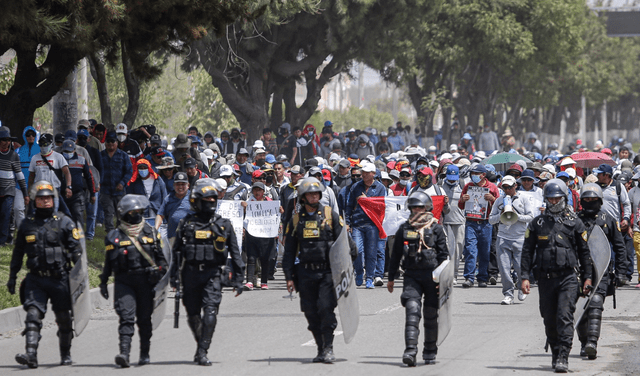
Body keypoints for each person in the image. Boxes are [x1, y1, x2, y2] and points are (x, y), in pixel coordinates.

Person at [7, 181, 83, 368]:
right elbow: (17, 253)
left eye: (48, 198)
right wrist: (12, 276)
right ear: (35, 201)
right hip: (36, 279)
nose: (45, 201)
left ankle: (65, 354)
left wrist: (80, 275)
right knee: (33, 314)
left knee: (64, 319)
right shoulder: (26, 225)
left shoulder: (65, 222)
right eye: (41, 198)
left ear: (54, 199)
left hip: (60, 279)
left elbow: (77, 252)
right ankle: (30, 354)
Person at [520, 179, 593, 373]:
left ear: (564, 198)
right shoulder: (537, 223)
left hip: (568, 278)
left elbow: (584, 252)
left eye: (557, 199)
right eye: (550, 199)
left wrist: (588, 277)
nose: (553, 202)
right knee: (549, 318)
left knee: (564, 316)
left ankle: (563, 356)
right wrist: (524, 277)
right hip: (545, 278)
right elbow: (527, 251)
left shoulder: (575, 222)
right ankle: (555, 352)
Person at [170, 179, 245, 366]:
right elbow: (176, 252)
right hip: (190, 274)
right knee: (193, 314)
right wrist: (173, 277)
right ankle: (201, 342)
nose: (210, 203)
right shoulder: (186, 224)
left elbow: (235, 254)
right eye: (206, 200)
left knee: (210, 312)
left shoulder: (223, 225)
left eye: (213, 200)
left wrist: (239, 279)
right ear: (197, 202)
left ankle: (203, 351)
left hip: (213, 275)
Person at [98, 194, 168, 367]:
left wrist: (162, 275)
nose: (136, 214)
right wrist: (104, 282)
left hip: (146, 282)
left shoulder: (151, 232)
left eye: (139, 211)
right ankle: (124, 353)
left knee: (144, 319)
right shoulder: (114, 236)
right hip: (124, 282)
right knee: (126, 317)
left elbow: (162, 259)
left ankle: (144, 353)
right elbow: (108, 262)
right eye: (132, 211)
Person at [283, 177, 347, 364]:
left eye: (316, 193)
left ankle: (328, 348)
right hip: (305, 273)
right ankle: (320, 349)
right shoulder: (295, 220)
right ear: (303, 196)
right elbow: (288, 252)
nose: (313, 196)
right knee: (311, 312)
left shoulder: (330, 215)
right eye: (310, 193)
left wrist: (346, 270)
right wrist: (288, 276)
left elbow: (346, 245)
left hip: (328, 273)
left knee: (326, 308)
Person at [387, 191, 449, 366]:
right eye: (414, 207)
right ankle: (410, 351)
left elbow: (445, 256)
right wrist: (391, 278)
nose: (417, 210)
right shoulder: (404, 228)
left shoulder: (436, 228)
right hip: (412, 276)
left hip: (432, 278)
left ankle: (430, 352)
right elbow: (396, 254)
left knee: (430, 316)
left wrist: (443, 282)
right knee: (412, 311)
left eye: (420, 207)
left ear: (427, 207)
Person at [576, 184, 627, 360]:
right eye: (586, 199)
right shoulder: (575, 220)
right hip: (579, 272)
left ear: (599, 200)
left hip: (602, 270)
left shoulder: (609, 219)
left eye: (593, 199)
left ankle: (592, 342)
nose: (590, 202)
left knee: (595, 302)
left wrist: (621, 272)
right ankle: (583, 343)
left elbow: (620, 247)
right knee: (581, 308)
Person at [488, 175, 533, 305]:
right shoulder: (499, 200)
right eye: (504, 187)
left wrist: (516, 215)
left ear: (515, 186)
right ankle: (508, 294)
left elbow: (530, 216)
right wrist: (501, 214)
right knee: (504, 268)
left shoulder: (523, 198)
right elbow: (491, 220)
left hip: (519, 238)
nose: (507, 190)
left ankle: (520, 287)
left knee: (520, 267)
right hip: (503, 237)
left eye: (509, 187)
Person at [345, 163, 387, 288]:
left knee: (371, 252)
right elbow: (349, 205)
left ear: (373, 174)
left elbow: (381, 206)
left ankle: (369, 278)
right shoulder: (356, 187)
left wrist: (366, 199)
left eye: (367, 172)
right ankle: (359, 272)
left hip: (372, 224)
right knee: (357, 250)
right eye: (363, 172)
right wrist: (347, 222)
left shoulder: (380, 188)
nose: (363, 174)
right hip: (357, 224)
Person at [458, 164, 499, 287]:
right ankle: (469, 278)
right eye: (472, 174)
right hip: (471, 222)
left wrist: (492, 199)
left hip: (486, 223)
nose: (474, 176)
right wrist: (462, 200)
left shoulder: (492, 187)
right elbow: (461, 206)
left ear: (483, 175)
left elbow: (498, 206)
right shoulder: (468, 186)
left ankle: (482, 278)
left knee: (485, 251)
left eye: (476, 174)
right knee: (470, 250)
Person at [101, 132, 134, 232]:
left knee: (121, 213)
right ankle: (110, 233)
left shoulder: (123, 155)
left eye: (113, 141)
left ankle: (121, 232)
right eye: (108, 141)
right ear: (105, 143)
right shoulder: (100, 155)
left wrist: (122, 183)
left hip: (119, 191)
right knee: (108, 212)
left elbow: (129, 171)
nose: (110, 144)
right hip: (105, 190)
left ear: (117, 143)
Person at [1, 129, 29, 245]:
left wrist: (25, 194)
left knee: (5, 215)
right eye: (3, 139)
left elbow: (20, 175)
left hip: (8, 191)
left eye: (8, 140)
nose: (6, 142)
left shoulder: (13, 156)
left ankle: (2, 240)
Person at [61, 140, 97, 225]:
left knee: (78, 217)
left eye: (70, 151)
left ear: (74, 150)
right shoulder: (59, 159)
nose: (68, 153)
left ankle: (79, 237)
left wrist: (92, 194)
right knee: (63, 219)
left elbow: (89, 177)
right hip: (62, 194)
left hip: (77, 194)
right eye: (66, 151)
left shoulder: (81, 159)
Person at [126, 159, 167, 227]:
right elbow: (130, 199)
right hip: (141, 216)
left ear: (149, 168)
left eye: (145, 168)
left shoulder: (157, 180)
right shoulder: (134, 182)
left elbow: (164, 197)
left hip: (157, 214)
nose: (143, 170)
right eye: (140, 168)